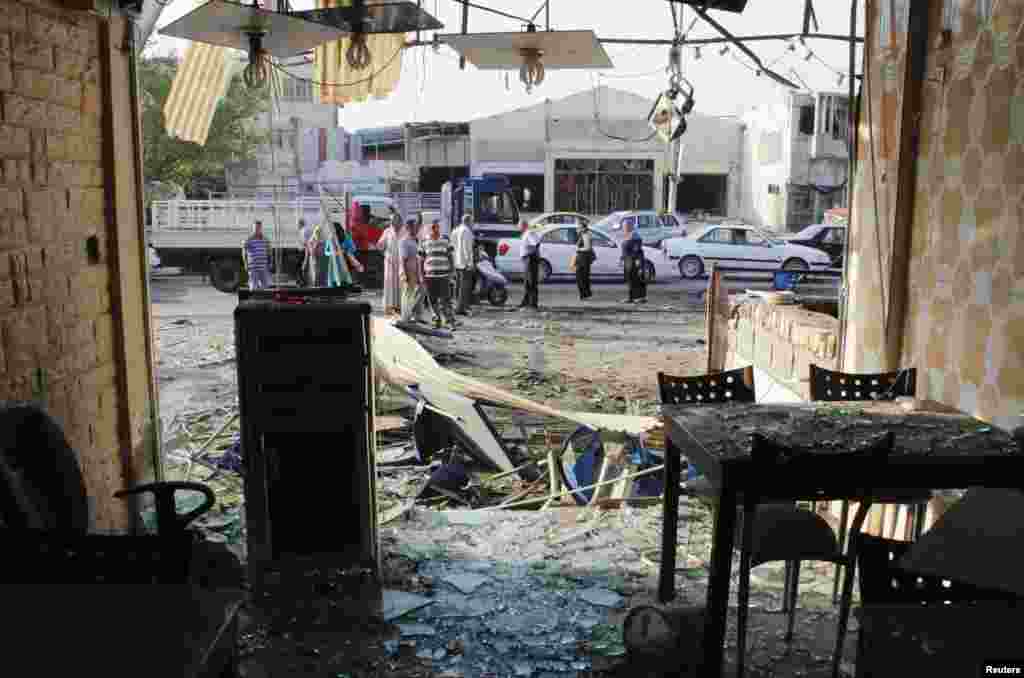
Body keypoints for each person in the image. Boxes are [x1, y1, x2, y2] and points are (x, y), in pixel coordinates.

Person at [419, 218, 457, 329]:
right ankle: (437, 320)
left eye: (435, 227)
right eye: (431, 228)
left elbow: (450, 257)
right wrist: (422, 275)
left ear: (438, 228)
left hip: (444, 276)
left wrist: (452, 271)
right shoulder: (424, 241)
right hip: (429, 275)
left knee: (446, 299)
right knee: (432, 300)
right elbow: (421, 260)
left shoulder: (445, 240)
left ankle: (449, 321)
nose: (434, 229)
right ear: (428, 229)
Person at [399, 219, 429, 323]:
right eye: (414, 227)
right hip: (409, 268)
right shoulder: (404, 241)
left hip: (418, 268)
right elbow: (403, 259)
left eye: (416, 227)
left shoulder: (417, 239)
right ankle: (406, 316)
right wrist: (405, 274)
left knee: (421, 291)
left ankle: (418, 315)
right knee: (408, 293)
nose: (416, 229)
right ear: (408, 228)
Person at [377, 215, 402, 315]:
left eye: (395, 220)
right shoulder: (387, 231)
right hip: (390, 261)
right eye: (392, 221)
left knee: (400, 282)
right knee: (390, 283)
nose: (393, 223)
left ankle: (399, 306)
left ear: (400, 221)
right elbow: (379, 245)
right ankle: (389, 305)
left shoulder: (404, 231)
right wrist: (384, 254)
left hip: (401, 261)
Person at [451, 214, 476, 316]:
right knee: (464, 286)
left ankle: (456, 305)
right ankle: (461, 308)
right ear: (468, 221)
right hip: (464, 263)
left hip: (457, 261)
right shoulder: (467, 231)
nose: (473, 224)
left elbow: (453, 246)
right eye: (472, 222)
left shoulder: (455, 230)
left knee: (457, 285)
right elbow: (467, 249)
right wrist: (470, 263)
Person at [621, 220, 647, 304]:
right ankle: (631, 298)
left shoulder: (635, 235)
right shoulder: (626, 235)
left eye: (625, 226)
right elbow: (625, 249)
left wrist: (637, 261)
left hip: (635, 260)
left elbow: (637, 249)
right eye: (623, 226)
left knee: (637, 278)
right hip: (628, 260)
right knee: (630, 279)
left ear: (630, 226)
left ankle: (641, 298)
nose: (623, 228)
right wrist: (622, 259)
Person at [518, 219, 541, 310]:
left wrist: (532, 252)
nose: (518, 227)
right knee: (527, 282)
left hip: (530, 259)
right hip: (527, 258)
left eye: (519, 225)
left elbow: (536, 243)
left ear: (524, 225)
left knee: (531, 281)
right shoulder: (526, 233)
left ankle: (533, 304)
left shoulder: (529, 233)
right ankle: (526, 301)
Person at [244, 220, 272, 290]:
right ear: (253, 229)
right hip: (253, 267)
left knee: (265, 286)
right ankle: (252, 299)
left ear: (261, 228)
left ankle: (263, 300)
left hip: (263, 267)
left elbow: (269, 252)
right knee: (253, 286)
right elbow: (244, 252)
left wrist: (270, 263)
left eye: (258, 228)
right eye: (255, 228)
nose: (257, 230)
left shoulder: (265, 239)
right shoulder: (249, 239)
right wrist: (245, 264)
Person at [575, 220, 594, 301]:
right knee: (583, 277)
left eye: (579, 227)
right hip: (582, 257)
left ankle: (584, 295)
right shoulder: (583, 234)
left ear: (583, 228)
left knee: (581, 277)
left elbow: (588, 247)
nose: (577, 229)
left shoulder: (586, 235)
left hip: (584, 258)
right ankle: (585, 294)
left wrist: (579, 249)